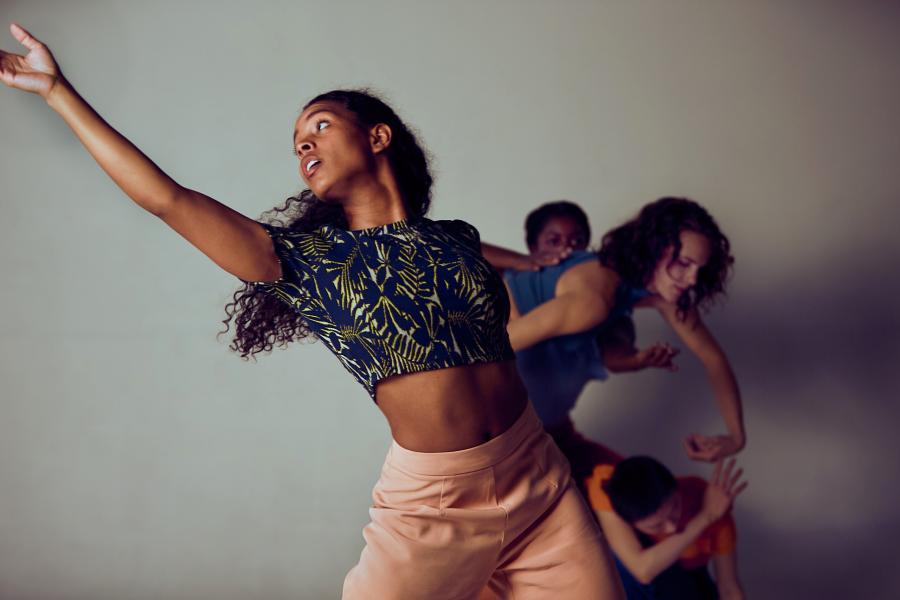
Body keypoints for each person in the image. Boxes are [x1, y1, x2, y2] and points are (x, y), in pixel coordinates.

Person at [0, 24, 624, 599]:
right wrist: (58, 94)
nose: (304, 145)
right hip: (436, 505)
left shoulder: (456, 237)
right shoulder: (304, 261)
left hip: (539, 480)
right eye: (298, 142)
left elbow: (535, 279)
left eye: (319, 126)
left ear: (377, 137)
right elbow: (166, 198)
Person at [493, 199, 745, 492]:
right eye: (683, 264)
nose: (691, 280)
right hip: (503, 437)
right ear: (654, 248)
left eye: (699, 269)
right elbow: (490, 348)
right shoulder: (595, 298)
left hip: (547, 430)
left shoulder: (657, 295)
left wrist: (736, 437)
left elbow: (713, 358)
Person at [586, 456, 747, 600]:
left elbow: (728, 587)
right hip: (644, 573)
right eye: (656, 525)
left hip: (691, 577)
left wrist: (710, 515)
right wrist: (705, 518)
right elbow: (643, 571)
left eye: (675, 507)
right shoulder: (607, 485)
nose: (671, 528)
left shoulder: (710, 502)